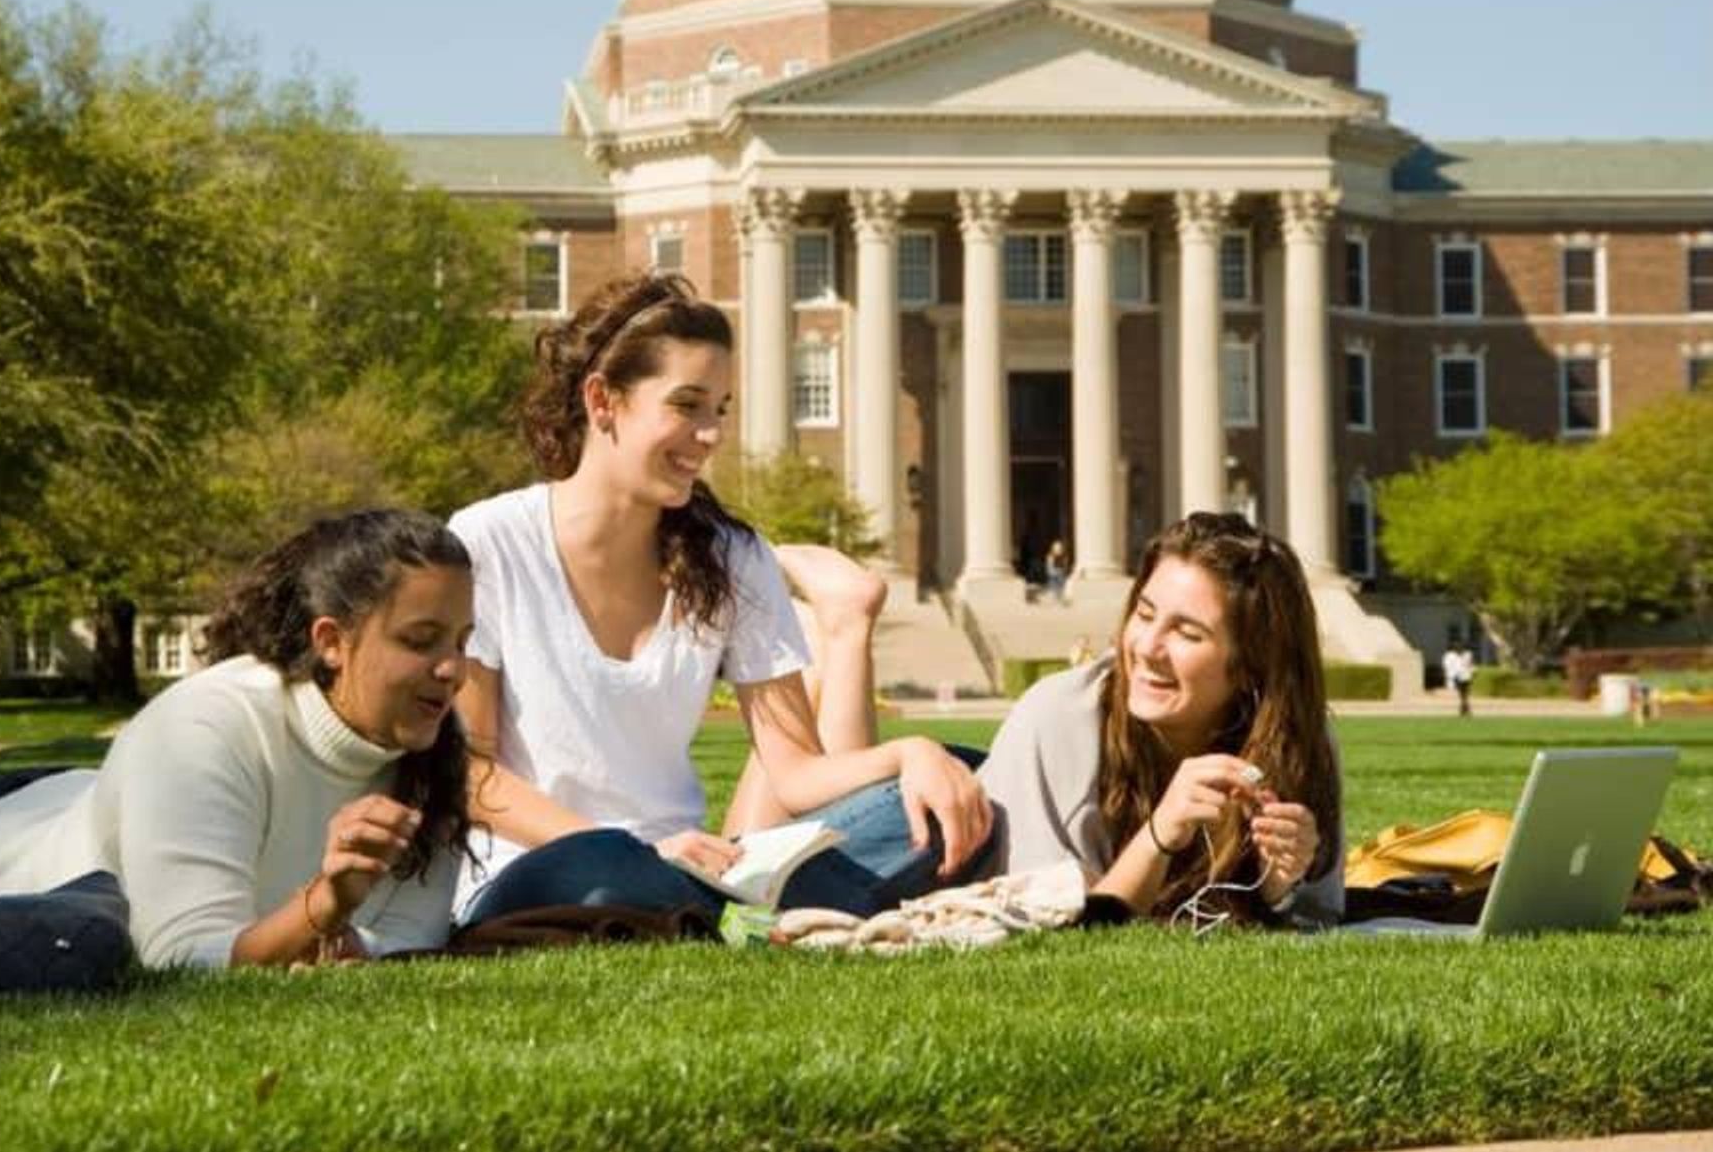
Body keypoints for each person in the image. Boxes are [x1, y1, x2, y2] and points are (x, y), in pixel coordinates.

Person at [450, 271, 992, 922]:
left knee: (964, 786)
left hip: (691, 866)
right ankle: (720, 913)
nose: (711, 434)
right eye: (687, 405)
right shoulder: (489, 541)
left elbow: (795, 773)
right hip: (540, 868)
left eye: (721, 409)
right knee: (617, 881)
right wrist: (630, 849)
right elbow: (469, 773)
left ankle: (716, 912)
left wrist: (914, 755)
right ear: (603, 401)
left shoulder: (733, 554)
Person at [0, 509, 476, 968]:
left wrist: (345, 941)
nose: (452, 668)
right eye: (420, 639)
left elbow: (410, 940)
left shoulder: (434, 749)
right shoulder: (213, 723)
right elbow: (184, 957)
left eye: (462, 639)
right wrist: (326, 905)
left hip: (81, 801)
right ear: (332, 640)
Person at [978, 512, 1343, 928]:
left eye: (1187, 633)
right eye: (1145, 614)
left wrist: (1279, 885)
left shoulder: (1296, 736)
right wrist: (1159, 834)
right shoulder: (1056, 719)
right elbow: (1055, 924)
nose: (1147, 648)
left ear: (1250, 666)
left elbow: (1320, 914)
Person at [1442, 639, 1475, 718]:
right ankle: (1465, 708)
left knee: (1465, 694)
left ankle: (1464, 709)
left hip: (1466, 676)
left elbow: (1470, 665)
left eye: (1461, 648)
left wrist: (1473, 671)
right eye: (1458, 648)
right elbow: (1447, 666)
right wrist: (1450, 676)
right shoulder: (1449, 656)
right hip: (1457, 677)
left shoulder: (1468, 654)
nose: (1460, 649)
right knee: (1463, 694)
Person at [1044, 539, 1070, 605]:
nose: (1058, 550)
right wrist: (1055, 572)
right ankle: (1057, 597)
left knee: (1061, 582)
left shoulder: (1064, 556)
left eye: (1059, 548)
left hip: (1060, 575)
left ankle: (1061, 597)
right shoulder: (1050, 556)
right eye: (1056, 548)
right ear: (1053, 549)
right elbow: (1049, 567)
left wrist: (1062, 570)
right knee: (1055, 583)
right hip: (1053, 574)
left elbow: (1065, 567)